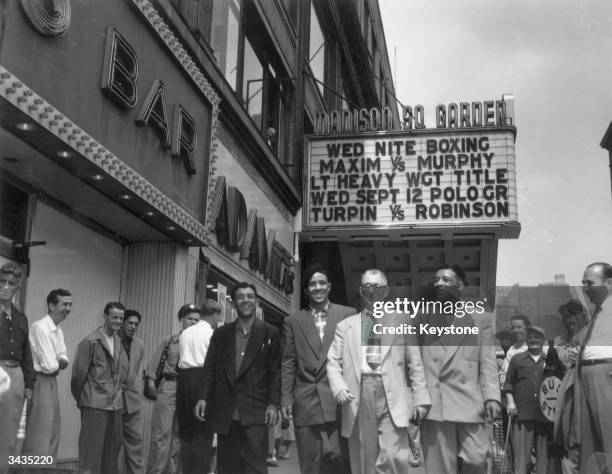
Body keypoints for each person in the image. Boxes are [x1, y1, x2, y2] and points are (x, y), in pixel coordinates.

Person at [326, 268, 431, 474]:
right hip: (359, 392)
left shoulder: (402, 321)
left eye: (377, 287)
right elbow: (332, 361)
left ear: (386, 291)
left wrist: (420, 398)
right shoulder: (345, 326)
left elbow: (415, 364)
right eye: (366, 287)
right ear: (360, 291)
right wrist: (338, 387)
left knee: (393, 455)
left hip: (391, 393)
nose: (371, 291)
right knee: (365, 455)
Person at [419, 264, 501, 474]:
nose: (439, 284)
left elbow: (488, 361)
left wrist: (492, 396)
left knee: (477, 459)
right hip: (435, 402)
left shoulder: (480, 319)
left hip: (468, 401)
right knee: (440, 468)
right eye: (436, 280)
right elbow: (413, 360)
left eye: (446, 280)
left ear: (460, 286)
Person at [194, 282, 281, 474]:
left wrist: (273, 404)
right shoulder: (220, 334)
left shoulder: (270, 333)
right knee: (227, 468)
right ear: (233, 303)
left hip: (256, 412)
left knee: (255, 468)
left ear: (256, 301)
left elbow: (275, 372)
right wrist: (202, 397)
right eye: (240, 297)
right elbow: (209, 368)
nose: (246, 300)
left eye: (250, 296)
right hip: (227, 413)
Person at [281, 263, 355, 474]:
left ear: (329, 286)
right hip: (306, 401)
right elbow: (288, 362)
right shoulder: (293, 321)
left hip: (339, 400)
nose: (318, 287)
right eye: (312, 284)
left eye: (322, 282)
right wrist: (286, 399)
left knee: (341, 462)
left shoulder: (348, 315)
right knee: (310, 463)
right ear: (305, 291)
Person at [71, 301, 129, 474]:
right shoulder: (90, 342)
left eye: (121, 318)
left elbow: (124, 373)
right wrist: (84, 399)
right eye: (114, 317)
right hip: (95, 405)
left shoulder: (119, 342)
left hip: (115, 406)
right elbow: (77, 377)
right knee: (91, 453)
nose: (118, 321)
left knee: (112, 452)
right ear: (105, 316)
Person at [145, 304, 201, 474]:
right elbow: (153, 366)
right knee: (160, 435)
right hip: (169, 386)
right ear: (181, 320)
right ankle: (155, 471)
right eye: (190, 318)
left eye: (196, 320)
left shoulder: (200, 344)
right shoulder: (169, 341)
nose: (193, 322)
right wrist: (150, 383)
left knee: (179, 436)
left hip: (189, 390)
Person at [23, 289, 72, 460]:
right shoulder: (40, 327)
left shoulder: (57, 329)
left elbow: (64, 358)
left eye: (70, 304)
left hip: (50, 383)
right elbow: (50, 365)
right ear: (51, 305)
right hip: (40, 382)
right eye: (64, 304)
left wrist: (58, 361)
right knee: (40, 434)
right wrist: (58, 362)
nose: (68, 308)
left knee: (52, 431)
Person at [576, 262, 612, 473]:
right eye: (583, 283)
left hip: (605, 376)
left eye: (590, 283)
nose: (584, 288)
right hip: (587, 377)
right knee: (590, 444)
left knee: (609, 436)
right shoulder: (597, 312)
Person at [0, 262, 35, 474]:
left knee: (10, 431)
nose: (5, 287)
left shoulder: (21, 317)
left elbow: (27, 353)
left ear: (17, 287)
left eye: (11, 283)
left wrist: (29, 383)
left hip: (16, 375)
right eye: (2, 282)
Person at [177, 301, 218, 474]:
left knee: (186, 435)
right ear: (216, 314)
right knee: (203, 436)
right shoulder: (212, 334)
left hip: (184, 382)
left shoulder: (185, 333)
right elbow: (215, 365)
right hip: (203, 381)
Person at [504, 326, 551, 474]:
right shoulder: (517, 359)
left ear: (543, 340)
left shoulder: (550, 361)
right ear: (526, 339)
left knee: (543, 459)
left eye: (537, 337)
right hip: (522, 414)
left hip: (544, 416)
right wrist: (510, 402)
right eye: (530, 337)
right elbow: (508, 383)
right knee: (521, 458)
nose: (533, 340)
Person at [118, 309, 145, 474]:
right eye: (130, 323)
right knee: (113, 444)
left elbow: (134, 370)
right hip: (113, 399)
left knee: (135, 444)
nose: (133, 326)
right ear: (122, 322)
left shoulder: (139, 344)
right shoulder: (111, 340)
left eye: (136, 324)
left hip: (132, 401)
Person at [500, 313, 531, 385]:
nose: (515, 330)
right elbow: (504, 375)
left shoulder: (532, 349)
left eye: (519, 327)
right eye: (513, 328)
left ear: (527, 329)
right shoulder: (511, 350)